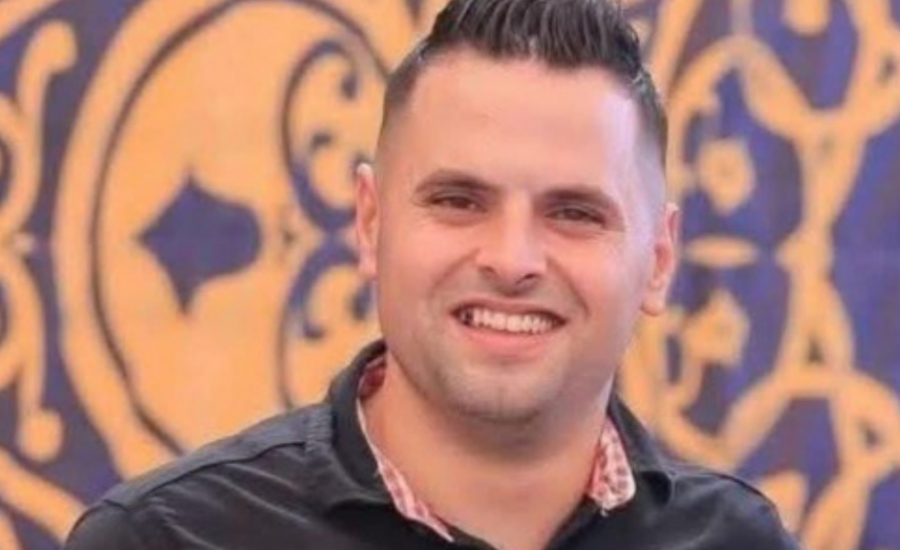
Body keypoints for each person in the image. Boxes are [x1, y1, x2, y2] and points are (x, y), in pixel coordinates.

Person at [65, 0, 805, 548]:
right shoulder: (162, 540)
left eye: (575, 213)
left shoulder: (740, 541)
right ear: (370, 223)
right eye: (458, 201)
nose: (512, 260)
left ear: (659, 262)